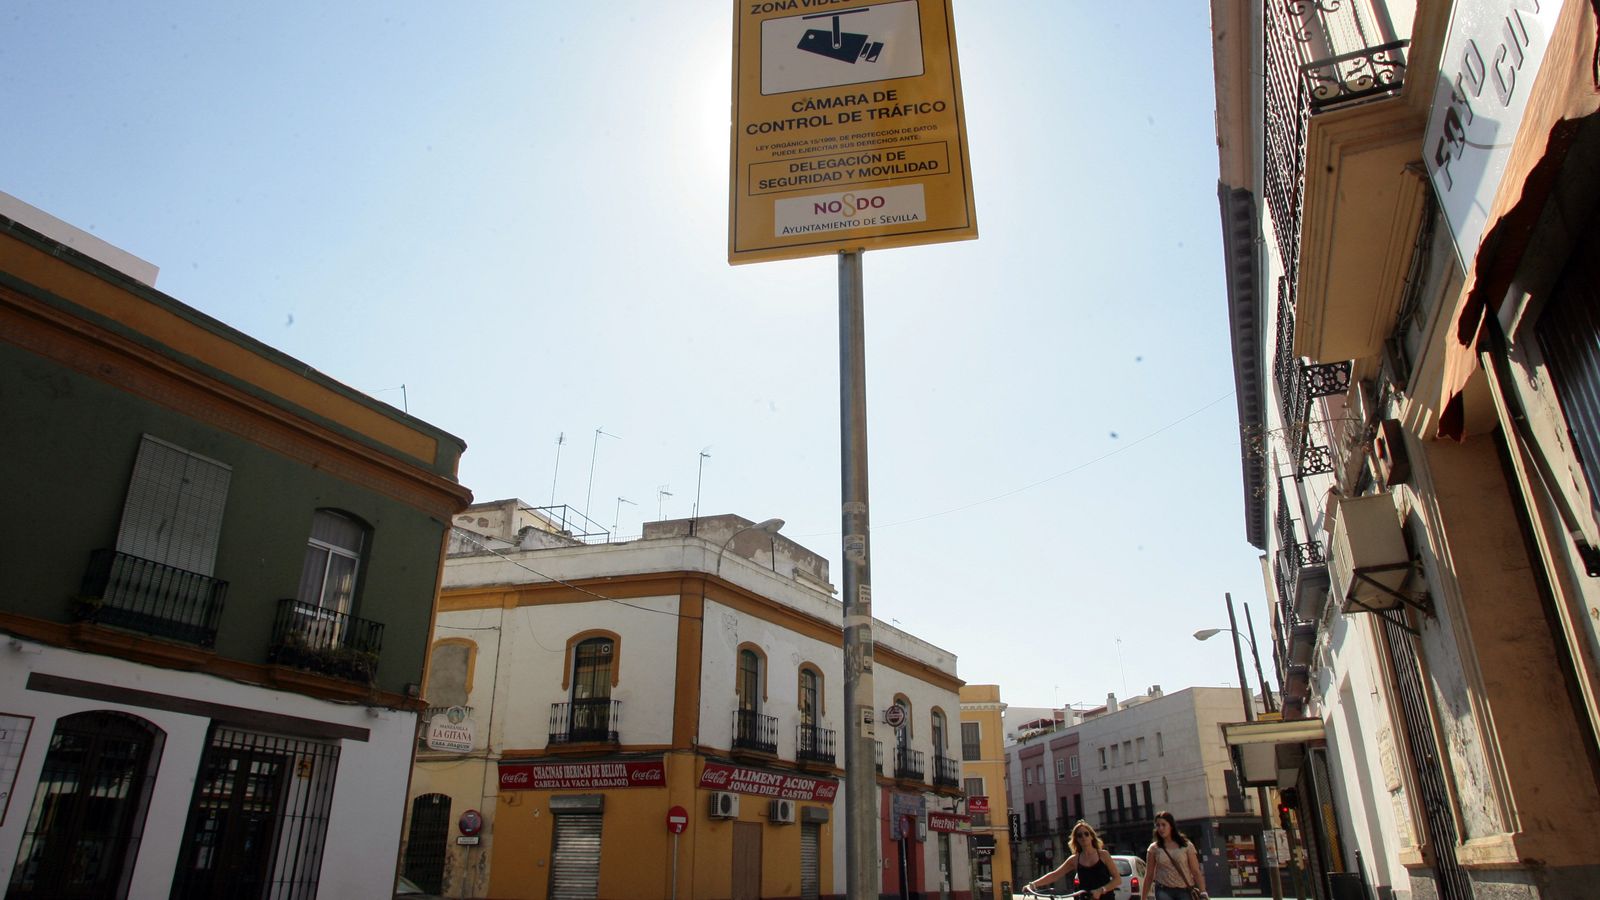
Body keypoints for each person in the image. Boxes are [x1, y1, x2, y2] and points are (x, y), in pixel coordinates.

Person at [1025, 820, 1121, 899]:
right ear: (1076, 840)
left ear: (1091, 836)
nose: (1083, 837)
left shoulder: (1103, 855)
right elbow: (1055, 874)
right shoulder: (1075, 859)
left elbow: (1117, 880)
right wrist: (1033, 885)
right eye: (1079, 835)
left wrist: (1101, 890)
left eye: (1086, 834)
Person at [1145, 811, 1207, 900]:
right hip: (1163, 889)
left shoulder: (1186, 845)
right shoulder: (1154, 848)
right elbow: (1149, 875)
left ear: (1171, 826)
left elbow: (1195, 871)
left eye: (1163, 825)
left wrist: (1203, 892)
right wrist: (1143, 897)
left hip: (1184, 889)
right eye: (1158, 825)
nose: (1161, 828)